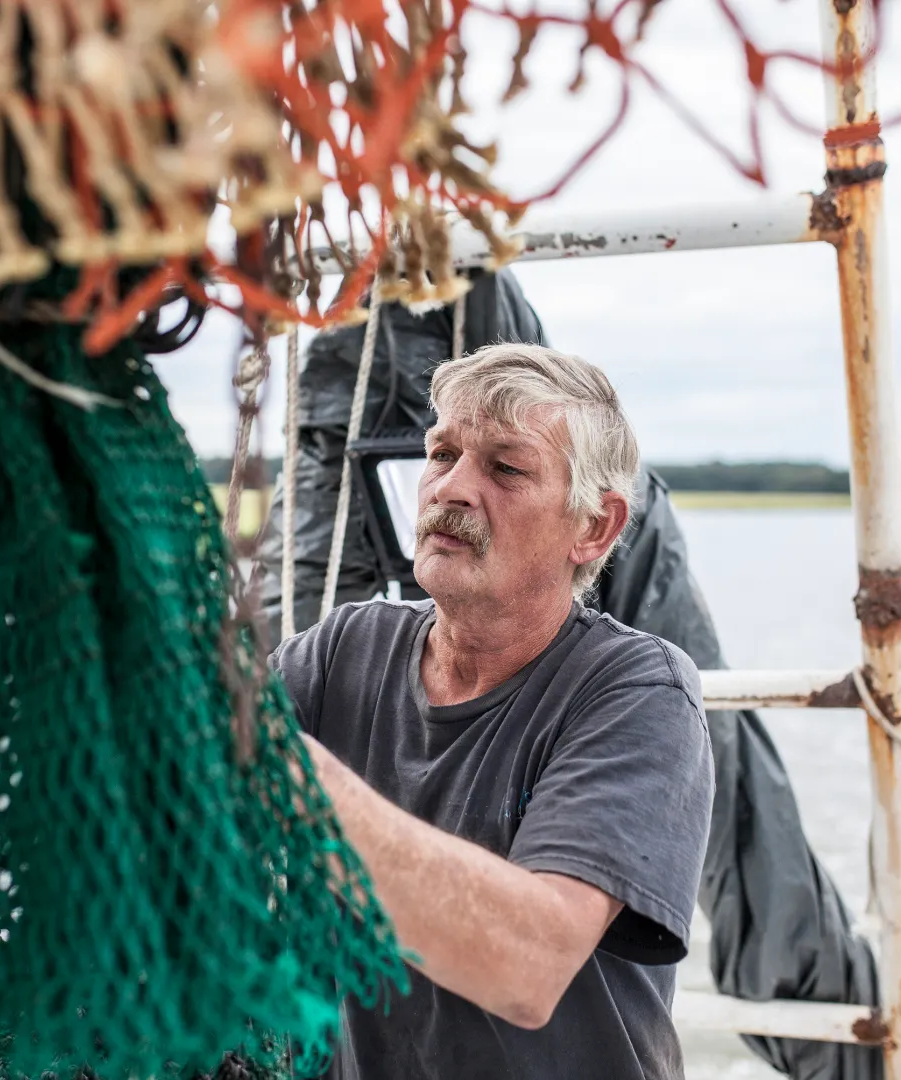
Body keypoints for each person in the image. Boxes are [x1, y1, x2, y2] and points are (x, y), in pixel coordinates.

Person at [272, 343, 716, 1080]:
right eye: (442, 454)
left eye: (505, 468)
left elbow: (527, 965)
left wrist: (290, 778)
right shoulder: (342, 648)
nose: (451, 488)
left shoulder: (637, 691)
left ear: (594, 529)